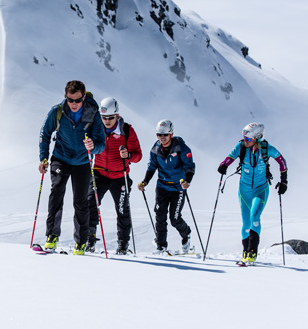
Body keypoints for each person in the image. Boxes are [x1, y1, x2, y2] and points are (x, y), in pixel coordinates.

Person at [39, 80, 106, 255]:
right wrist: (43, 158)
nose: (73, 104)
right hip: (60, 158)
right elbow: (45, 134)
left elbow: (101, 143)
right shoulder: (57, 111)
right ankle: (52, 236)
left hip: (82, 162)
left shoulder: (93, 114)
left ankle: (81, 242)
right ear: (66, 97)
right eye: (70, 100)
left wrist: (93, 146)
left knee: (81, 201)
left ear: (83, 97)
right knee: (57, 191)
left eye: (77, 100)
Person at [217, 122, 288, 265]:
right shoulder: (241, 147)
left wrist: (284, 182)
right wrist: (223, 165)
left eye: (248, 139)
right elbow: (229, 158)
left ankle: (252, 253)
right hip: (244, 191)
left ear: (257, 138)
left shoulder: (267, 149)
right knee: (246, 223)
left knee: (255, 216)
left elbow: (282, 162)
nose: (245, 141)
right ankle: (245, 253)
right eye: (244, 138)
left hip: (261, 189)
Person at [85, 97, 142, 255]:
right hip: (99, 173)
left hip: (120, 176)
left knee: (122, 209)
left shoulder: (127, 130)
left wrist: (128, 155)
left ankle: (123, 244)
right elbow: (85, 143)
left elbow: (138, 155)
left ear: (117, 115)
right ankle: (89, 239)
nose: (107, 121)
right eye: (104, 118)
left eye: (110, 117)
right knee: (90, 202)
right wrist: (88, 145)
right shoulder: (95, 128)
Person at [138, 119, 195, 254]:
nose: (162, 138)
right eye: (159, 135)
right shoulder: (156, 149)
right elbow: (152, 167)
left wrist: (187, 181)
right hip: (162, 187)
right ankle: (161, 245)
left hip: (178, 188)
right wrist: (145, 181)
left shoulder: (182, 148)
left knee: (174, 219)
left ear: (171, 134)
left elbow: (190, 167)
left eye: (165, 135)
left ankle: (186, 234)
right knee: (160, 216)